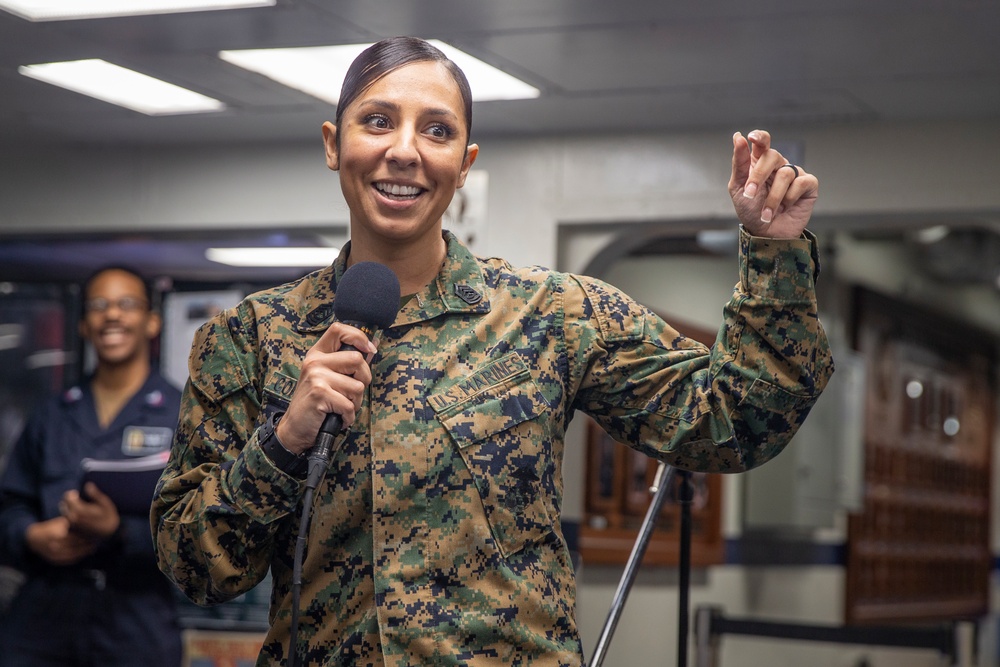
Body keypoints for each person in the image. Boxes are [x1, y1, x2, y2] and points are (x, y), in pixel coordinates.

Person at [151, 36, 834, 666]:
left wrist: (774, 256)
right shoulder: (250, 337)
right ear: (335, 143)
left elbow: (736, 421)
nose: (405, 150)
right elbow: (195, 566)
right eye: (378, 120)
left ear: (465, 163)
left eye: (437, 130)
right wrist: (283, 443)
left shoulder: (554, 315)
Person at [0, 267, 183, 667]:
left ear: (152, 321)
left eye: (126, 304)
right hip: (43, 615)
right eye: (99, 306)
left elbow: (200, 529)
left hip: (137, 618)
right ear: (84, 324)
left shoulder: (181, 413)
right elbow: (9, 505)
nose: (112, 315)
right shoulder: (53, 412)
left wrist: (119, 532)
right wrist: (31, 536)